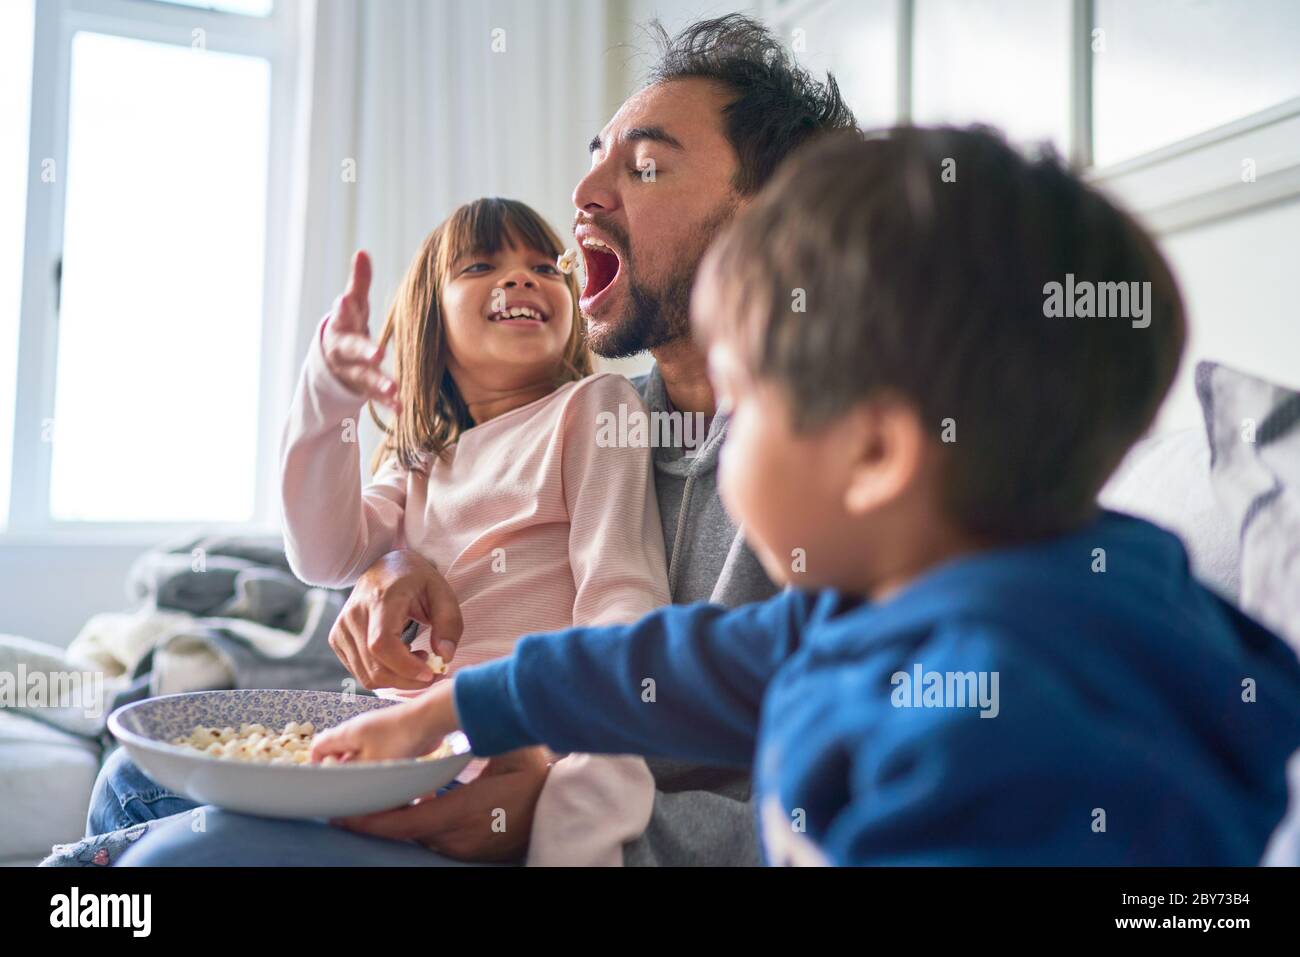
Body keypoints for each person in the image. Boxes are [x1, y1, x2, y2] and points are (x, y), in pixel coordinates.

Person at [310, 127, 1300, 865]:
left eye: (742, 400)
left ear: (875, 454)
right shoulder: (888, 601)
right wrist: (444, 709)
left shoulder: (989, 737)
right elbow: (656, 666)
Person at [106, 14, 860, 866]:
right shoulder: (598, 415)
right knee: (131, 787)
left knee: (178, 860)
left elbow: (847, 820)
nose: (582, 193)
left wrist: (545, 808)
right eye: (594, 156)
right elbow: (347, 541)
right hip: (455, 764)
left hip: (560, 818)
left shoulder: (842, 475)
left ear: (772, 217)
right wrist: (389, 562)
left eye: (643, 164)